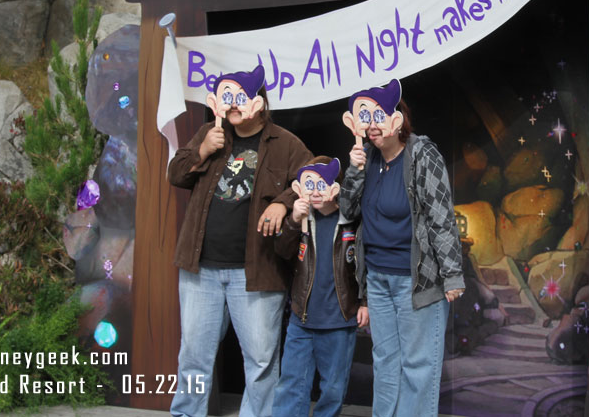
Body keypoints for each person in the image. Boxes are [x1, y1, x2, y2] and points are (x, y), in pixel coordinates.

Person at [167, 64, 312, 417]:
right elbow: (175, 173)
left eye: (239, 98)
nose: (232, 106)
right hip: (200, 268)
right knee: (194, 356)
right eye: (226, 98)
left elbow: (312, 179)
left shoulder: (286, 143)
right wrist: (202, 150)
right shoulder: (210, 132)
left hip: (256, 274)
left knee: (261, 360)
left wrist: (283, 203)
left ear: (258, 103)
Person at [339, 79, 465, 417]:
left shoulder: (422, 154)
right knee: (385, 362)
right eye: (365, 117)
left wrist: (452, 274)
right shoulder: (366, 157)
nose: (372, 126)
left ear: (398, 118)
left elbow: (441, 216)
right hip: (378, 280)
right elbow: (347, 211)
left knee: (418, 366)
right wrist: (354, 169)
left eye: (378, 116)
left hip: (416, 280)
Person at [271, 157, 369, 417]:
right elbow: (282, 251)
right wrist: (293, 219)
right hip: (301, 320)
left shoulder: (351, 220)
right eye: (309, 185)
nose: (314, 192)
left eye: (321, 184)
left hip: (339, 319)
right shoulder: (302, 218)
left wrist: (364, 301)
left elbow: (364, 262)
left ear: (334, 189)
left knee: (333, 389)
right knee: (292, 384)